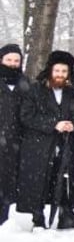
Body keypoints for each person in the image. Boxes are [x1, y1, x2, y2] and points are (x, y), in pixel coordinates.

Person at [17, 50, 74, 230]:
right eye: (57, 71)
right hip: (39, 145)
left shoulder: (73, 92)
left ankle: (66, 216)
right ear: (50, 71)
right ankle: (38, 218)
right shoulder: (35, 90)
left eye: (64, 72)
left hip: (66, 143)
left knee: (63, 179)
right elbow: (26, 116)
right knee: (40, 180)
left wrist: (73, 124)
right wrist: (53, 124)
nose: (60, 75)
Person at [0, 44, 31, 225]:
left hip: (16, 141)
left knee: (8, 181)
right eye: (9, 60)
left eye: (16, 60)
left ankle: (4, 218)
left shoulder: (25, 83)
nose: (12, 64)